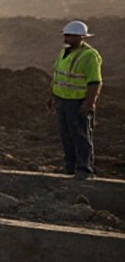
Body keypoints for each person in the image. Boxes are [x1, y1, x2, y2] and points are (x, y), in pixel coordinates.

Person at [46, 20, 102, 180]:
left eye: (70, 35)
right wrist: (51, 97)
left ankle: (84, 169)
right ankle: (70, 167)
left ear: (81, 37)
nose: (67, 38)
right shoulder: (64, 53)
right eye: (66, 35)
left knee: (80, 136)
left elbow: (94, 82)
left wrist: (89, 103)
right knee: (66, 135)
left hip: (77, 102)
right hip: (62, 100)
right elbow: (58, 76)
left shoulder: (89, 56)